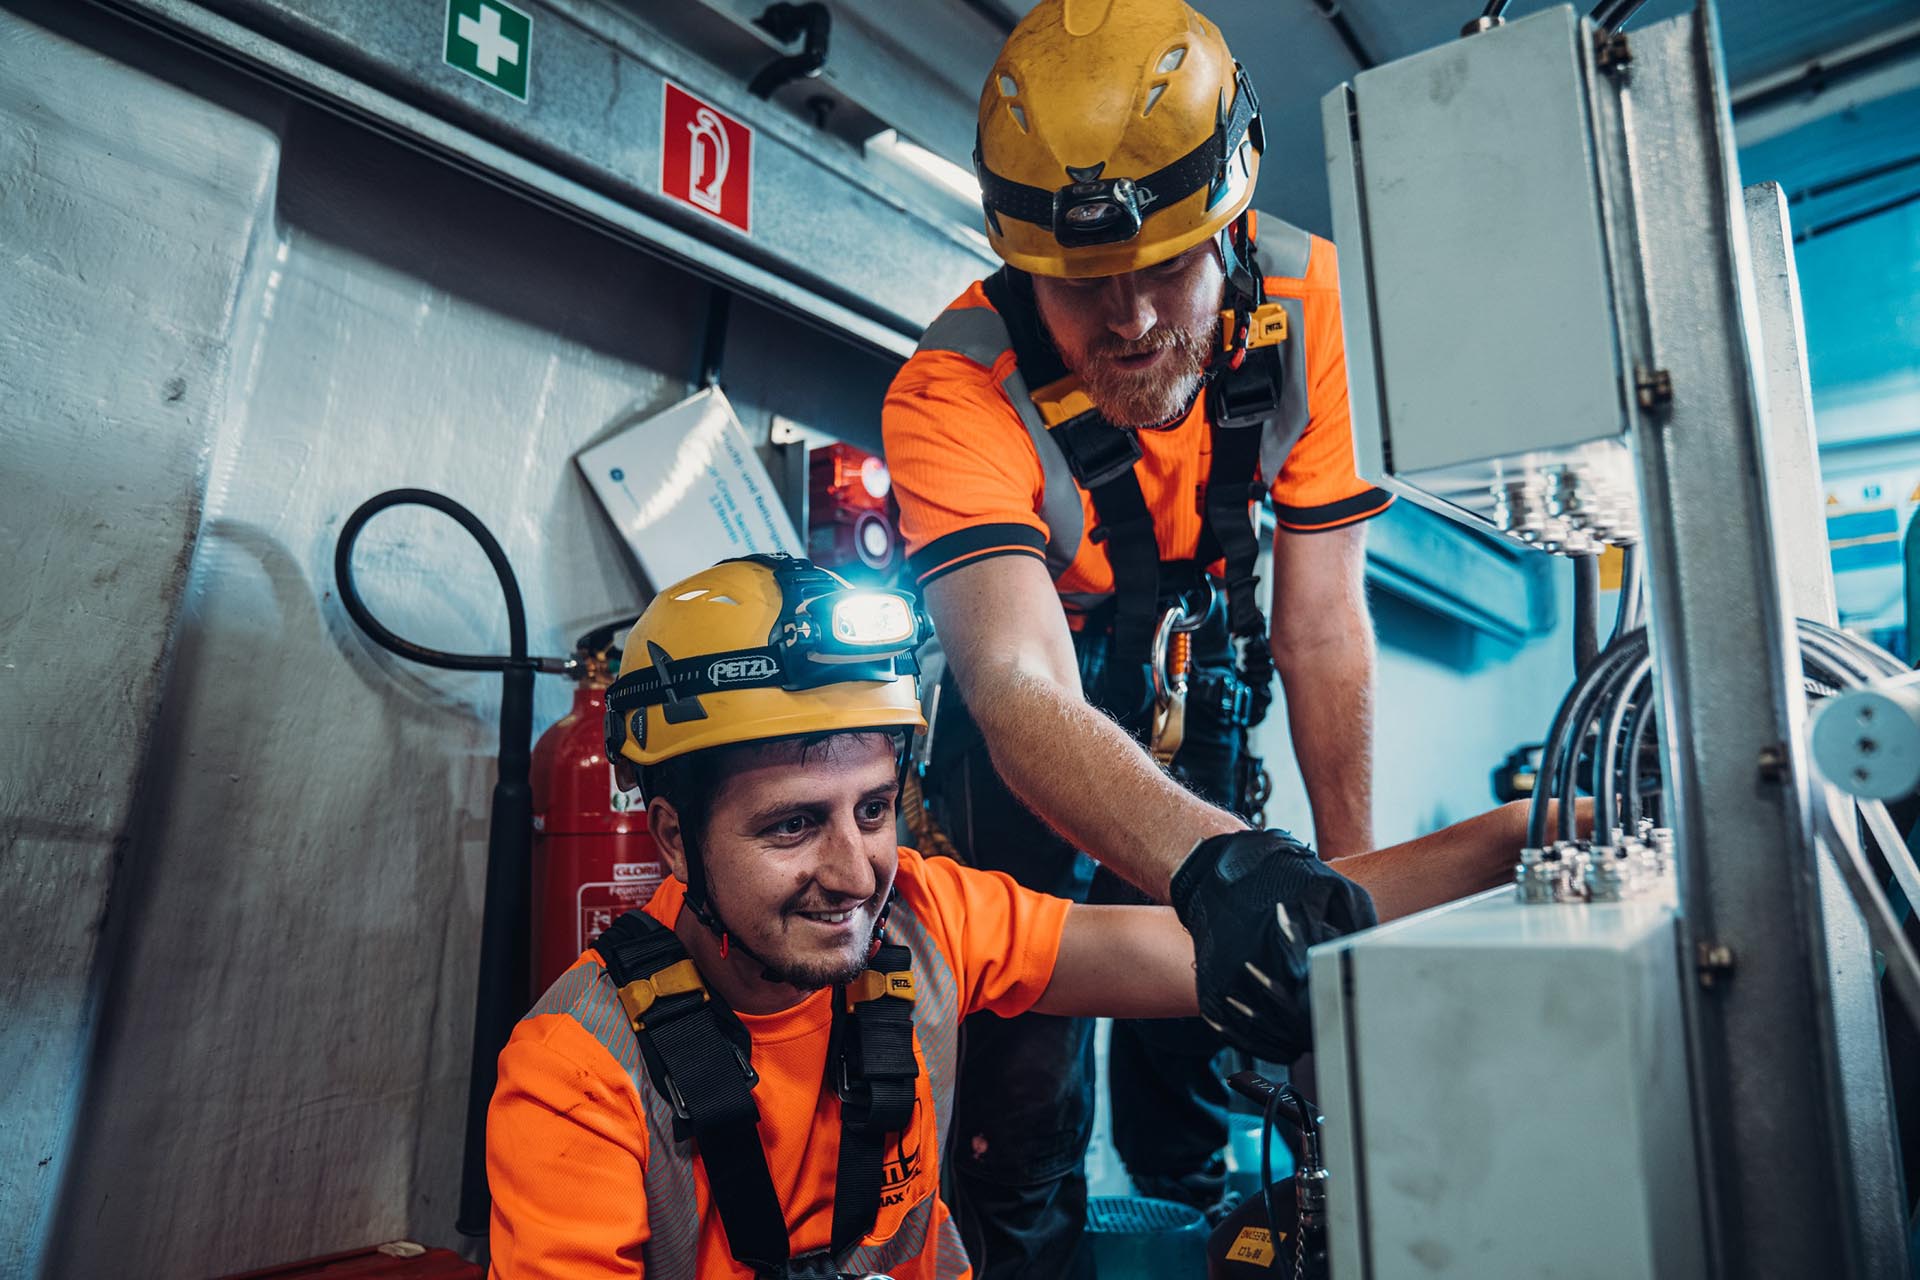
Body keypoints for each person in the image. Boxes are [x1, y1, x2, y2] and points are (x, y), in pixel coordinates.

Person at [485, 554, 1529, 1279]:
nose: (853, 873)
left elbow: (1228, 941)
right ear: (672, 837)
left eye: (874, 810)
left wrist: (1515, 839)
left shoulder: (927, 921)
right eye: (792, 825)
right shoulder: (578, 1075)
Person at [881, 0, 1388, 1268]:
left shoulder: (1319, 311)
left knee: (1206, 1026)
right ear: (1018, 264)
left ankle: (1199, 1230)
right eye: (1081, 285)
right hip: (1037, 705)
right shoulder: (953, 385)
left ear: (1231, 223)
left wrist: (1352, 914)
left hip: (1197, 670)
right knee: (1019, 1068)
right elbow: (1016, 684)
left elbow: (1323, 627)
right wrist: (1217, 866)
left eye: (1168, 266)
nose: (1133, 321)